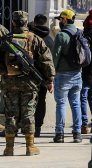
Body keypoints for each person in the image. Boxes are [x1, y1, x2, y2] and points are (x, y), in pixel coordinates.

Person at [0, 11, 55, 156]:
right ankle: (30, 147)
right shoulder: (35, 39)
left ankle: (9, 148)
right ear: (26, 22)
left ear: (13, 22)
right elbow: (46, 61)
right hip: (29, 84)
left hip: (9, 82)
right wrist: (50, 80)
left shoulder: (6, 40)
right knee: (28, 113)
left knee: (10, 114)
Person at [52, 9, 83, 143]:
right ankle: (77, 134)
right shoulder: (79, 33)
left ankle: (60, 134)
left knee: (61, 103)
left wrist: (52, 73)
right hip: (77, 73)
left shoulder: (61, 36)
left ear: (65, 20)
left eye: (60, 19)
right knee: (76, 104)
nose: (59, 22)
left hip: (63, 75)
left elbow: (55, 57)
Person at [28, 14, 54, 137]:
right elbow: (50, 62)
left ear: (35, 22)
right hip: (44, 77)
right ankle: (37, 128)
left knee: (27, 101)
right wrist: (50, 80)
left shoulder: (31, 37)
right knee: (40, 102)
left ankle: (24, 127)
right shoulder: (50, 39)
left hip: (29, 76)